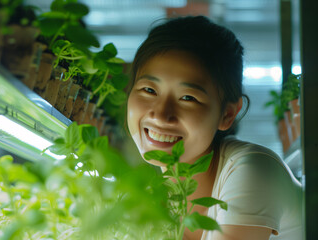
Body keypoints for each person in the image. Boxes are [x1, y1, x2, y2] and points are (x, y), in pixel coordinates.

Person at [126, 16, 303, 240]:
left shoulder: (252, 170)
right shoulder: (154, 199)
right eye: (149, 90)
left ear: (228, 114)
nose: (160, 115)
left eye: (188, 97)